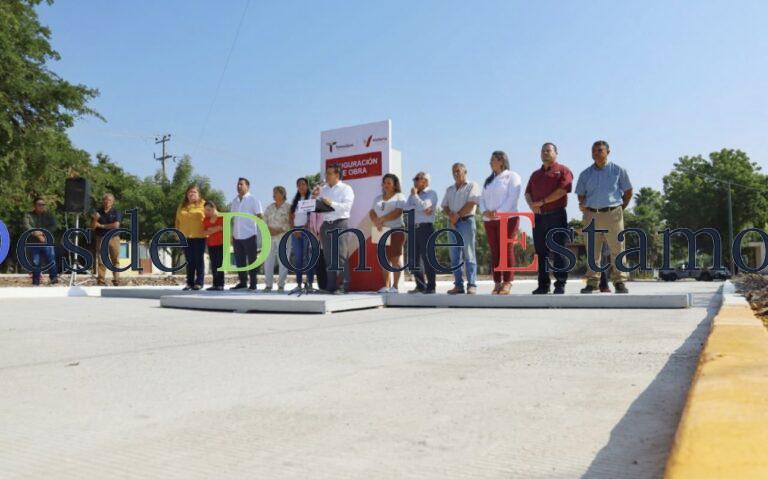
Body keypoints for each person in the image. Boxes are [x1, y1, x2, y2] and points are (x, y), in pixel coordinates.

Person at [575, 140, 633, 294]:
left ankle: (619, 281)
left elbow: (628, 192)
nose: (596, 153)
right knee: (593, 251)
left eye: (600, 150)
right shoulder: (585, 174)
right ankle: (592, 282)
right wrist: (583, 204)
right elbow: (581, 195)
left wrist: (620, 208)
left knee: (617, 249)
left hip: (613, 213)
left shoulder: (618, 171)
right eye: (593, 150)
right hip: (591, 215)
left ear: (608, 152)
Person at [525, 143, 573, 295]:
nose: (545, 153)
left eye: (548, 150)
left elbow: (563, 190)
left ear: (556, 153)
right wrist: (532, 205)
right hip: (539, 217)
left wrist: (543, 202)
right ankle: (543, 285)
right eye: (543, 151)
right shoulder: (535, 174)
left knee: (559, 250)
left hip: (556, 215)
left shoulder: (563, 170)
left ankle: (560, 284)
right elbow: (527, 193)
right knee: (541, 252)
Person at [480, 151, 522, 295]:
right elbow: (482, 199)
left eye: (492, 160)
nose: (490, 162)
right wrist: (485, 211)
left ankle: (507, 282)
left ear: (501, 161)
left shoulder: (512, 176)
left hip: (507, 219)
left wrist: (497, 212)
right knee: (495, 251)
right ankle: (497, 282)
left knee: (506, 248)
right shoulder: (488, 180)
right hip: (489, 220)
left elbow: (513, 197)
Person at [441, 163, 482, 295]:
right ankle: (458, 285)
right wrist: (451, 217)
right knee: (454, 256)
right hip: (452, 224)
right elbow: (445, 206)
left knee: (469, 254)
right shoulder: (449, 189)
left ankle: (472, 284)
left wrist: (457, 216)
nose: (455, 174)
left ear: (465, 172)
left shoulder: (472, 186)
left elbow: (471, 203)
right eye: (453, 171)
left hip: (466, 222)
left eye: (458, 171)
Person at [318, 164, 354, 294]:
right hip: (326, 224)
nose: (326, 175)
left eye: (329, 173)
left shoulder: (346, 188)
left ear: (337, 175)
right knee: (328, 257)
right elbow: (320, 207)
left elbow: (347, 207)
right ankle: (331, 286)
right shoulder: (324, 189)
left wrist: (331, 203)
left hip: (340, 223)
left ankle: (344, 286)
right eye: (326, 173)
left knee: (341, 255)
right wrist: (315, 202)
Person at [369, 173, 405, 293]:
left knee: (395, 259)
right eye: (384, 183)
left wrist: (382, 220)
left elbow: (398, 212)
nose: (386, 185)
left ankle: (395, 287)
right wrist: (376, 221)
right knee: (383, 260)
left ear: (395, 185)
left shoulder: (400, 196)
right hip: (380, 231)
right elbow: (372, 212)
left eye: (389, 183)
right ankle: (386, 286)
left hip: (396, 230)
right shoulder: (377, 198)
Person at [404, 172, 438, 294]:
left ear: (425, 181)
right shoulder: (413, 195)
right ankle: (420, 286)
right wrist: (420, 206)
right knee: (413, 260)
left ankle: (431, 286)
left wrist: (415, 199)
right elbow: (406, 208)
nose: (414, 181)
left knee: (428, 258)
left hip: (426, 228)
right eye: (414, 179)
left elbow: (424, 206)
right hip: (413, 228)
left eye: (417, 179)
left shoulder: (431, 193)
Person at [228, 177, 263, 291]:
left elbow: (260, 216)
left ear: (247, 186)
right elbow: (232, 219)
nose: (238, 186)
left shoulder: (254, 200)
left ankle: (253, 284)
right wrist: (231, 235)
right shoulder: (234, 201)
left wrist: (261, 235)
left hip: (250, 235)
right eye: (237, 184)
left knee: (252, 261)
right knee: (240, 261)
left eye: (241, 184)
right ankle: (243, 282)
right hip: (237, 236)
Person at [175, 184, 206, 291]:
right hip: (185, 236)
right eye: (190, 192)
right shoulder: (182, 206)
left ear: (199, 194)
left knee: (198, 260)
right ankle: (189, 283)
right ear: (186, 194)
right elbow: (177, 221)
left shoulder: (203, 205)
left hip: (199, 236)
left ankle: (199, 282)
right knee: (189, 261)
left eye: (194, 192)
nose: (192, 194)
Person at [23, 197, 59, 286]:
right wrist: (37, 234)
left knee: (51, 259)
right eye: (39, 204)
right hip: (33, 243)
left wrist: (43, 233)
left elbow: (54, 226)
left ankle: (54, 279)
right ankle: (36, 282)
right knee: (36, 262)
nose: (41, 206)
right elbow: (26, 226)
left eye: (43, 205)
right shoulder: (28, 215)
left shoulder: (49, 215)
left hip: (47, 241)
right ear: (34, 205)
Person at [288, 177, 315, 293]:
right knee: (298, 258)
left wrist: (303, 229)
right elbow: (290, 216)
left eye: (303, 184)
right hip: (295, 231)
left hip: (306, 231)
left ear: (307, 186)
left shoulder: (311, 198)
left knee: (308, 257)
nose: (301, 186)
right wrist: (294, 229)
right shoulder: (295, 200)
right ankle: (299, 284)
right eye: (299, 185)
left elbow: (311, 217)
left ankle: (309, 283)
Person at [263, 185, 291, 292]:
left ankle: (281, 285)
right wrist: (269, 230)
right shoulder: (270, 207)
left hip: (283, 236)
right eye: (273, 192)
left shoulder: (289, 207)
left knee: (283, 260)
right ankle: (268, 285)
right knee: (268, 261)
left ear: (282, 194)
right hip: (269, 237)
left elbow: (290, 222)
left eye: (276, 192)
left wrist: (279, 230)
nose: (273, 195)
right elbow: (264, 220)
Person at [91, 193, 123, 286]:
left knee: (115, 260)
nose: (106, 202)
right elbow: (93, 227)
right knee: (101, 260)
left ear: (112, 202)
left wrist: (101, 225)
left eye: (109, 200)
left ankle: (116, 280)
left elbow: (116, 225)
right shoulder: (97, 212)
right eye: (105, 200)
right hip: (101, 238)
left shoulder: (116, 212)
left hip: (114, 238)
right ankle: (101, 281)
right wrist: (95, 220)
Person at [202, 200, 225, 291]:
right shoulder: (206, 220)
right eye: (205, 210)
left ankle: (220, 284)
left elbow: (225, 227)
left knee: (220, 264)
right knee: (214, 265)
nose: (206, 212)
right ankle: (215, 284)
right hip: (211, 244)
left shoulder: (222, 217)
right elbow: (204, 232)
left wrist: (214, 229)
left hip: (221, 244)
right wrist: (217, 229)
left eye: (208, 210)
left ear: (214, 208)